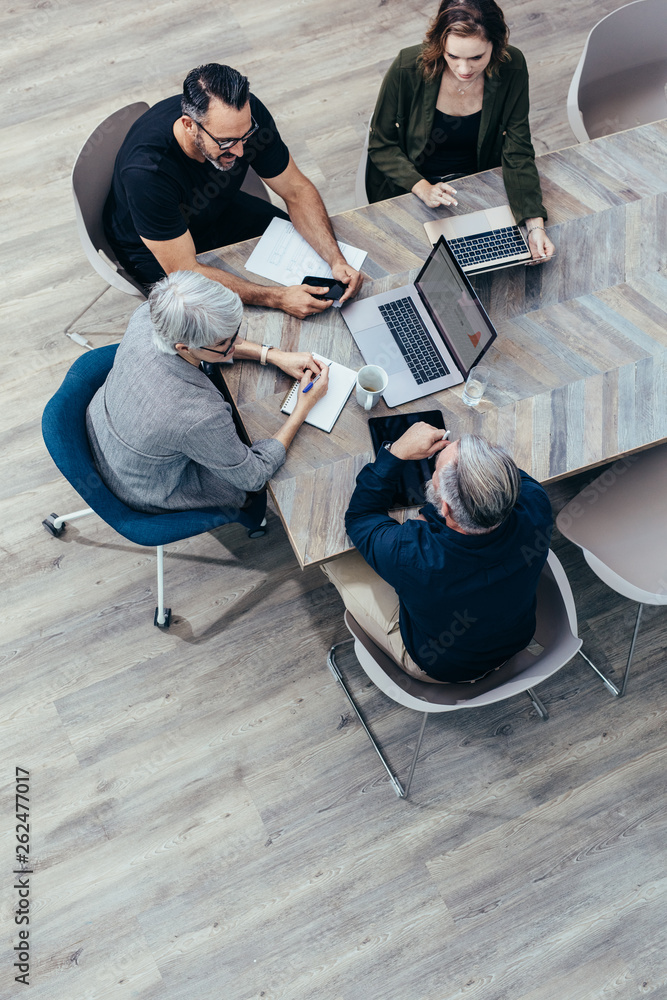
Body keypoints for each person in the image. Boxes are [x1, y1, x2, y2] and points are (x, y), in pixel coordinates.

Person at [104, 63, 363, 317]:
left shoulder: (246, 117)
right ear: (189, 125)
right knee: (228, 322)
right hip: (155, 247)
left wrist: (336, 260)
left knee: (314, 264)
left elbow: (296, 190)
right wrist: (278, 297)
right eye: (226, 141)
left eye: (245, 136)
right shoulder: (147, 173)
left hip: (216, 206)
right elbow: (184, 270)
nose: (240, 152)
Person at [86, 270, 329, 517]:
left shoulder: (148, 315)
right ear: (184, 347)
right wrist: (303, 408)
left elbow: (212, 346)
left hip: (103, 425)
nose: (236, 344)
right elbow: (253, 476)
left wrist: (273, 355)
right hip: (147, 486)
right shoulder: (199, 415)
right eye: (224, 343)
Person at [322, 424, 553, 683]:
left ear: (445, 507)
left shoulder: (412, 556)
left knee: (333, 557)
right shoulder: (537, 503)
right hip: (516, 636)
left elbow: (360, 518)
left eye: (435, 470)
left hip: (443, 666)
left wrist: (396, 452)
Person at [365, 0, 555, 260]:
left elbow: (518, 149)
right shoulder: (407, 67)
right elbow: (381, 144)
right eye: (452, 56)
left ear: (496, 46)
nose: (464, 70)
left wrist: (534, 226)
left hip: (480, 183)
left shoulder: (512, 67)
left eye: (477, 57)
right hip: (412, 186)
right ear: (438, 44)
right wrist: (422, 187)